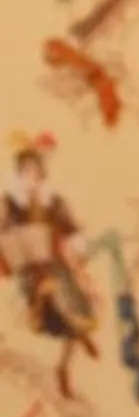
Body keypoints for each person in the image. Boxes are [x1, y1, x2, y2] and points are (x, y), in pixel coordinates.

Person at [2, 138, 97, 393]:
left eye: (35, 172)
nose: (31, 177)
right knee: (53, 296)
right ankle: (38, 308)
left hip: (56, 265)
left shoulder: (53, 202)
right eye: (26, 172)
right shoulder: (9, 203)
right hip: (29, 270)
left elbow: (73, 230)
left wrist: (75, 246)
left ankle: (63, 367)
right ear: (19, 174)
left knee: (80, 313)